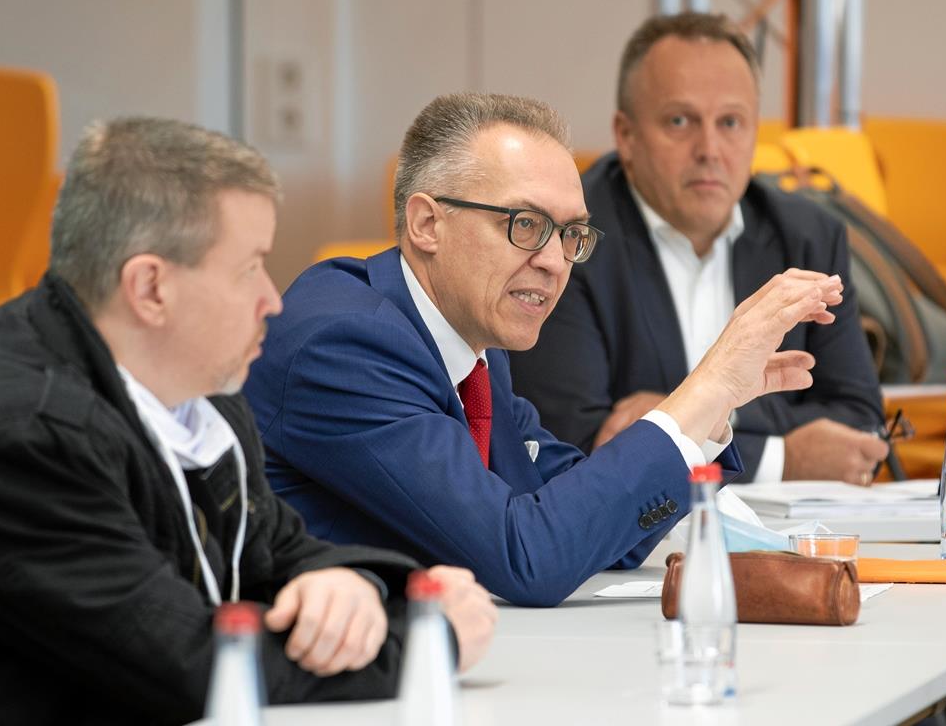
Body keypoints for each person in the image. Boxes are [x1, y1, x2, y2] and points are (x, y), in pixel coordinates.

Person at [0, 117, 497, 726]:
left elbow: (277, 548)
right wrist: (424, 641)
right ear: (150, 288)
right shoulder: (24, 437)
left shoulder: (200, 393)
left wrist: (346, 584)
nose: (272, 300)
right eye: (249, 268)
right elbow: (189, 670)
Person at [245, 92, 844, 608]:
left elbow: (593, 515)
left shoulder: (470, 345)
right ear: (426, 224)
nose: (556, 262)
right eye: (525, 225)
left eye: (570, 234)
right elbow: (528, 556)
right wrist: (706, 386)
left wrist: (720, 404)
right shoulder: (345, 344)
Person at [510, 12, 887, 486]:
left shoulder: (810, 236)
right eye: (680, 121)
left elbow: (859, 427)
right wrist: (781, 458)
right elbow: (576, 439)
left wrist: (678, 415)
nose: (709, 148)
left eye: (730, 122)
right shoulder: (568, 238)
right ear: (626, 136)